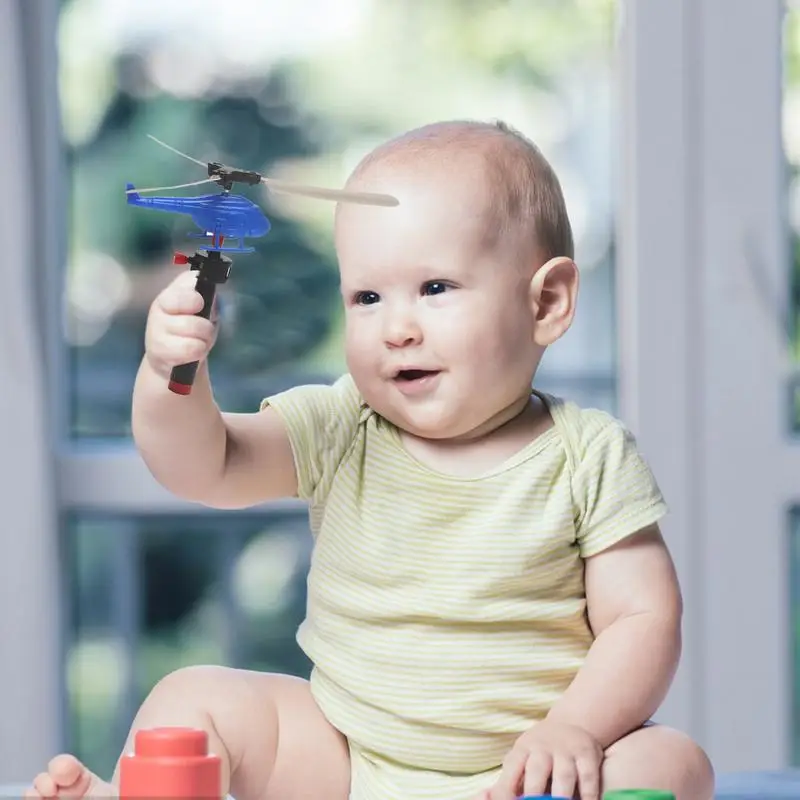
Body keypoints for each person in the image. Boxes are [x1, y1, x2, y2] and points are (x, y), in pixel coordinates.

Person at [27, 120, 714, 800]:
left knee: (672, 763)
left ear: (547, 302)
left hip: (527, 777)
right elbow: (207, 464)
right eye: (367, 297)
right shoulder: (344, 423)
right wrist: (170, 376)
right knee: (194, 697)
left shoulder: (588, 455)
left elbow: (642, 619)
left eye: (436, 288)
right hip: (350, 765)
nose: (397, 327)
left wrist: (576, 729)